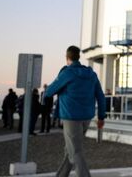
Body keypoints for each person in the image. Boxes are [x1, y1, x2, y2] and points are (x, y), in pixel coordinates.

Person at [45, 45, 107, 177]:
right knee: (71, 150)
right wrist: (101, 117)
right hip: (86, 118)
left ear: (67, 58)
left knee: (75, 152)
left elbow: (49, 92)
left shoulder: (67, 73)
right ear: (79, 57)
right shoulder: (91, 74)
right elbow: (101, 96)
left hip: (71, 117)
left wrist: (58, 79)